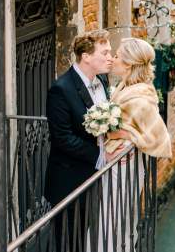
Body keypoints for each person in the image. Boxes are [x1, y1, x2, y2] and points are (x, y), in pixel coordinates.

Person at [92, 38, 173, 252]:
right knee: (113, 215)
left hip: (124, 164)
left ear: (128, 64)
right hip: (118, 162)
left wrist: (126, 134)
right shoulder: (124, 86)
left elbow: (157, 135)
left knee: (114, 216)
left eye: (117, 56)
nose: (113, 59)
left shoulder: (140, 95)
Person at [44, 29, 113, 251]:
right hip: (69, 178)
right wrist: (101, 155)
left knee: (87, 233)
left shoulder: (102, 80)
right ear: (86, 57)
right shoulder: (61, 89)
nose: (110, 57)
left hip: (94, 174)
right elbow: (62, 138)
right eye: (105, 53)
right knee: (69, 241)